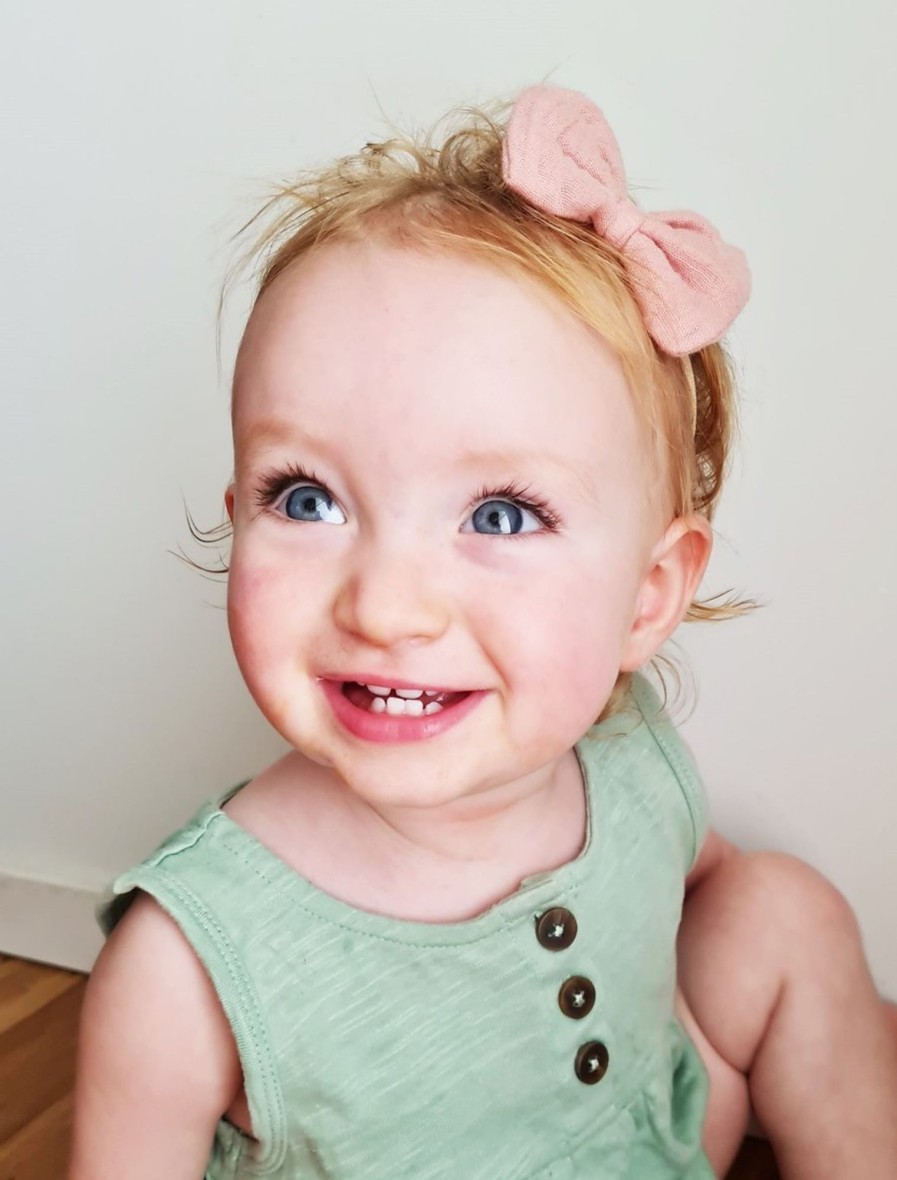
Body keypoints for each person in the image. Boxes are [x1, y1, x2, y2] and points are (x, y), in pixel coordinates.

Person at [68, 86, 897, 1179]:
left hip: (654, 1128)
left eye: (501, 514)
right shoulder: (188, 966)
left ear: (647, 600)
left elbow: (670, 882)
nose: (386, 607)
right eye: (306, 497)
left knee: (783, 912)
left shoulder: (630, 759)